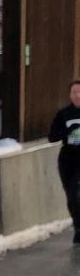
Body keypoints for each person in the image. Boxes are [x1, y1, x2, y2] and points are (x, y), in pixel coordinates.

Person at [48, 79, 80, 244]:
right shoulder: (63, 114)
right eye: (74, 92)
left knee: (76, 190)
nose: (77, 95)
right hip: (68, 158)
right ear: (69, 95)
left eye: (79, 92)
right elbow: (52, 137)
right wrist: (66, 131)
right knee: (70, 194)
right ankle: (77, 225)